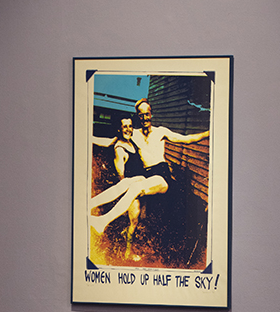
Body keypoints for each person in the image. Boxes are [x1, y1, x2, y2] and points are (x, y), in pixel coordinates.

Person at [89, 116, 168, 260]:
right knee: (134, 221)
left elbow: (106, 142)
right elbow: (121, 177)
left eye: (130, 126)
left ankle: (93, 208)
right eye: (124, 126)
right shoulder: (120, 148)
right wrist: (128, 197)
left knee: (136, 221)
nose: (128, 129)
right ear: (119, 129)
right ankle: (127, 251)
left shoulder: (132, 141)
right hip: (133, 189)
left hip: (143, 185)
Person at [132, 99, 209, 189]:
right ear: (138, 116)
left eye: (147, 114)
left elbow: (187, 139)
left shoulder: (160, 132)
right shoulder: (134, 134)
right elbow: (115, 140)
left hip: (161, 172)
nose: (145, 118)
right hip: (146, 173)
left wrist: (208, 133)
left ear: (151, 114)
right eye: (141, 115)